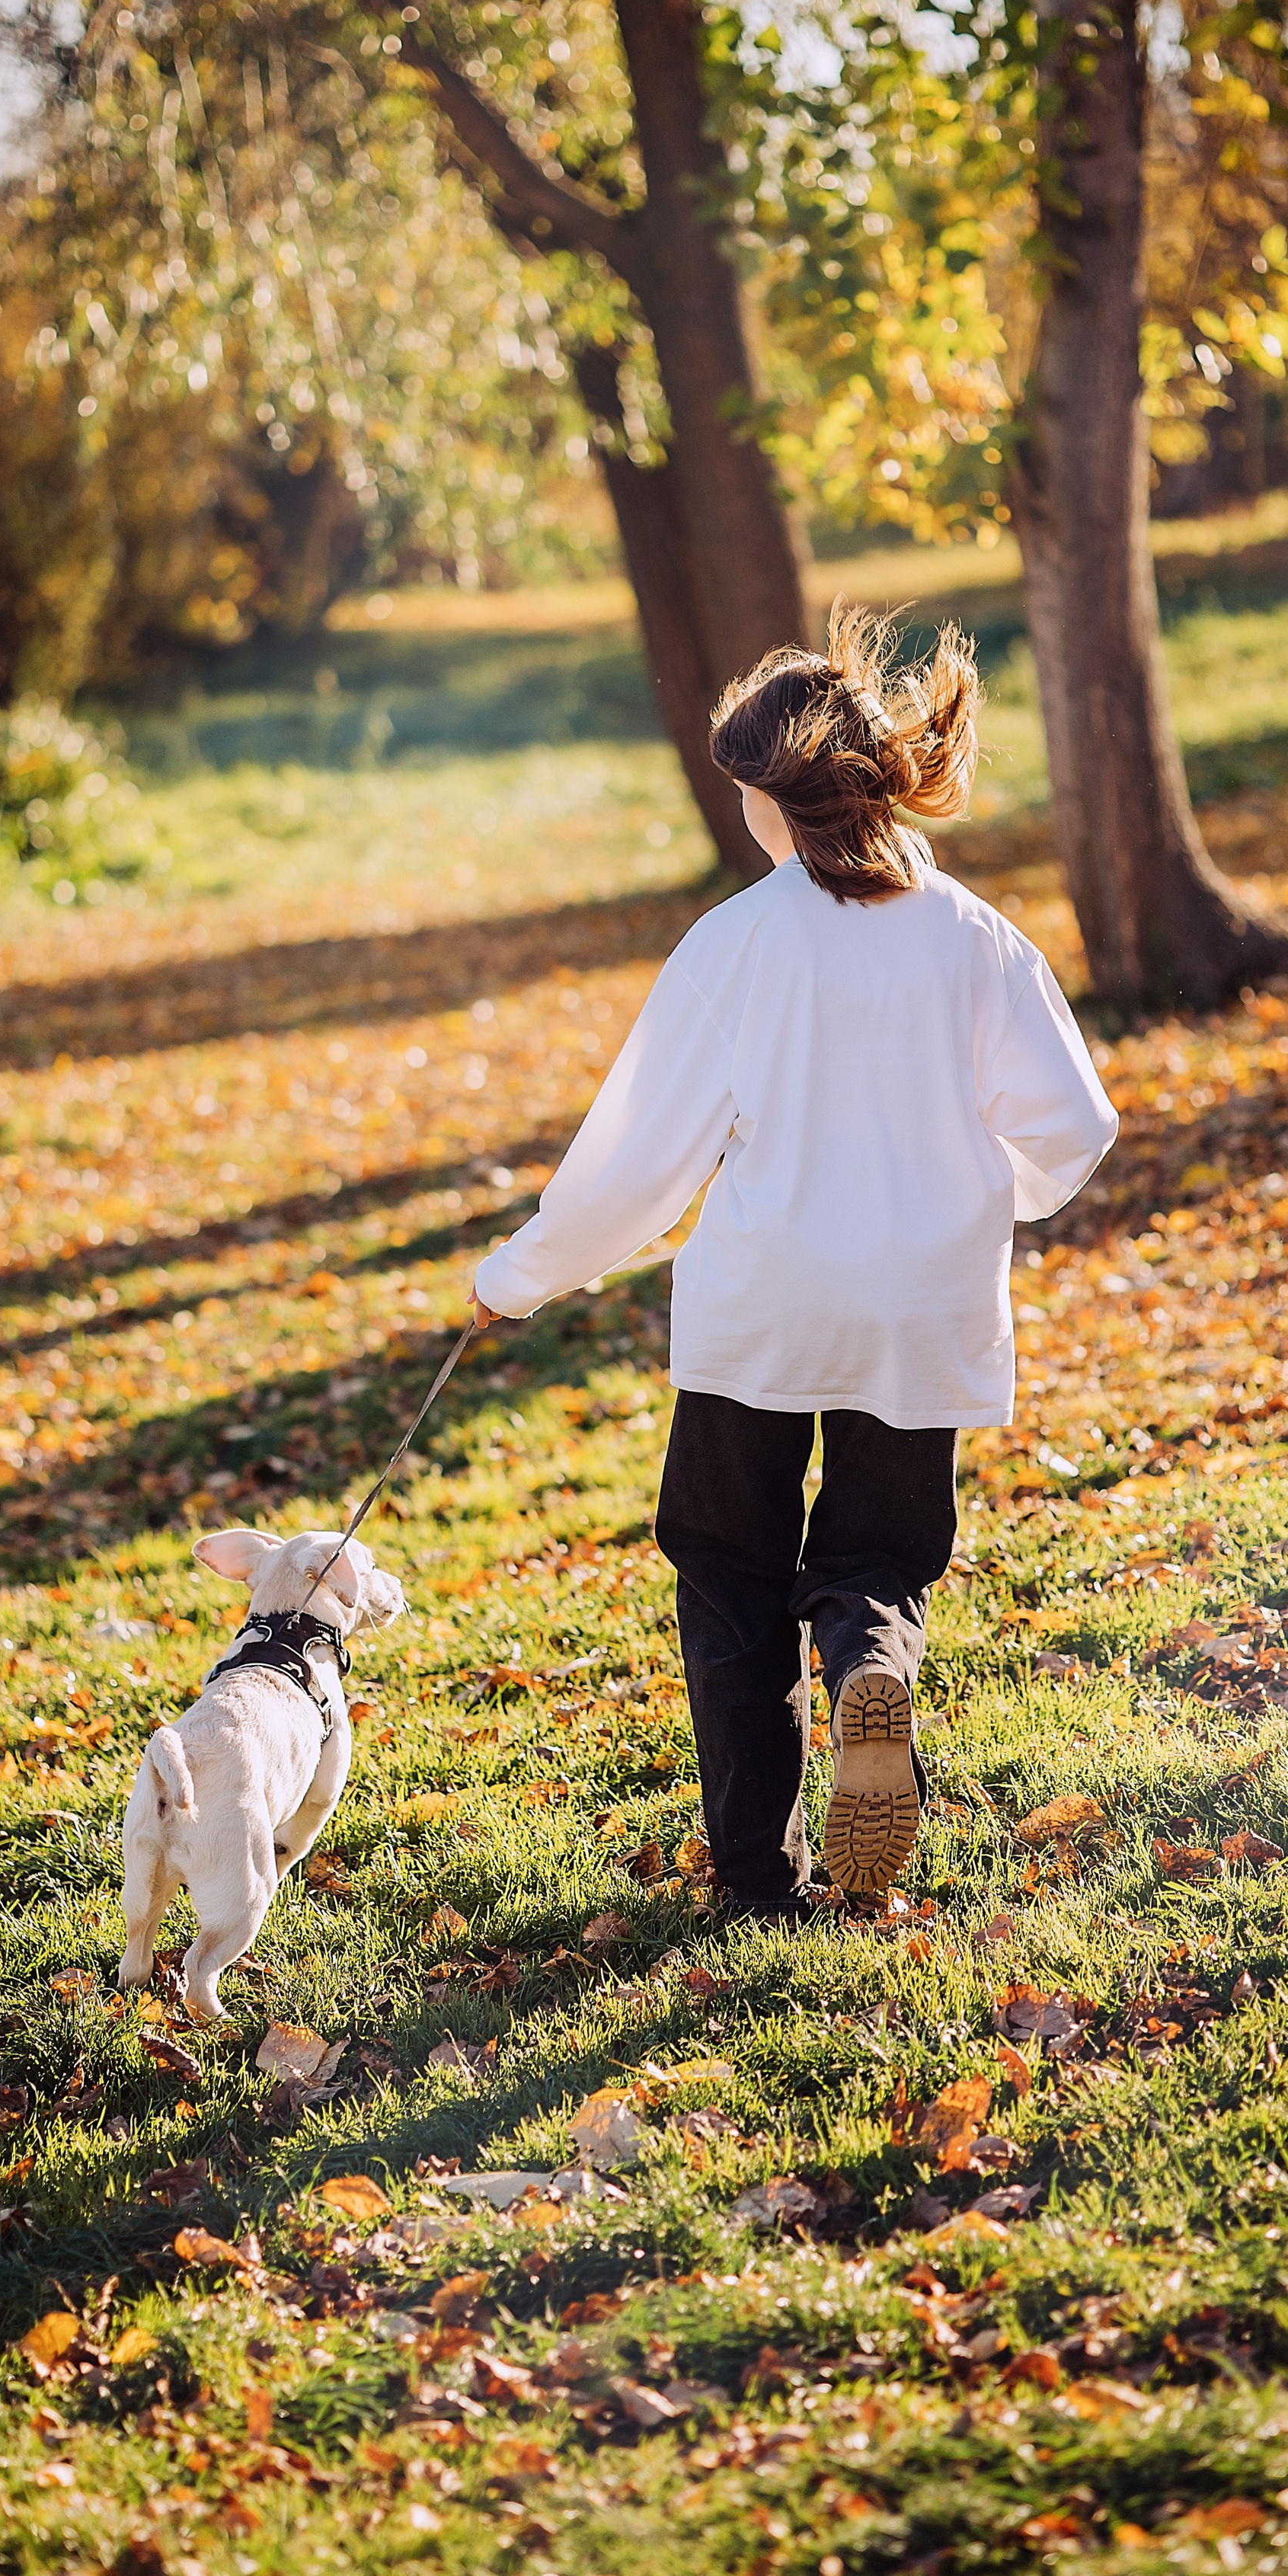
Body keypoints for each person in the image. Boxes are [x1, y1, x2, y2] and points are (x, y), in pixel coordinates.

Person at [471, 607, 1117, 1922]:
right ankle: (869, 1671)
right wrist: (985, 1200)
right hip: (920, 1313)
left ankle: (759, 1879)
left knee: (727, 1569)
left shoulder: (738, 943)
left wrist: (520, 1275)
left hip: (762, 1306)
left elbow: (639, 1165)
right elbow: (1073, 1128)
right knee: (876, 1556)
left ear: (778, 797)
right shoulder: (977, 936)